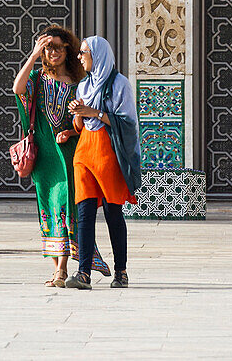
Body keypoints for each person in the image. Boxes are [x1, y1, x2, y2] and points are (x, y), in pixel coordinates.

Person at [13, 26, 110, 287]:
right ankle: (57, 268)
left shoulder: (81, 84)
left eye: (58, 47)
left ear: (69, 49)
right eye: (48, 48)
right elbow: (17, 88)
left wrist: (71, 130)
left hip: (70, 153)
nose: (53, 52)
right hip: (45, 156)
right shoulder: (37, 79)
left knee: (66, 209)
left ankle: (63, 270)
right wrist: (33, 56)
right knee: (48, 208)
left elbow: (88, 121)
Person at [65, 35, 139, 291]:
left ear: (98, 55)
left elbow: (128, 124)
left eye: (83, 52)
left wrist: (94, 112)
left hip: (109, 156)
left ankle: (121, 271)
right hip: (85, 154)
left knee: (112, 213)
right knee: (83, 213)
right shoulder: (84, 87)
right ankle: (83, 272)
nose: (79, 56)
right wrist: (78, 111)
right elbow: (80, 125)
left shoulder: (120, 85)